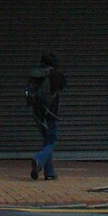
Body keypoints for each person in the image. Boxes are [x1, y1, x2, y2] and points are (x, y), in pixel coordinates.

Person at [26, 52, 66, 181]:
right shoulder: (55, 74)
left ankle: (49, 173)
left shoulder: (34, 74)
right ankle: (38, 159)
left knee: (47, 141)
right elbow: (62, 86)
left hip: (37, 112)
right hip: (51, 112)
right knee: (52, 140)